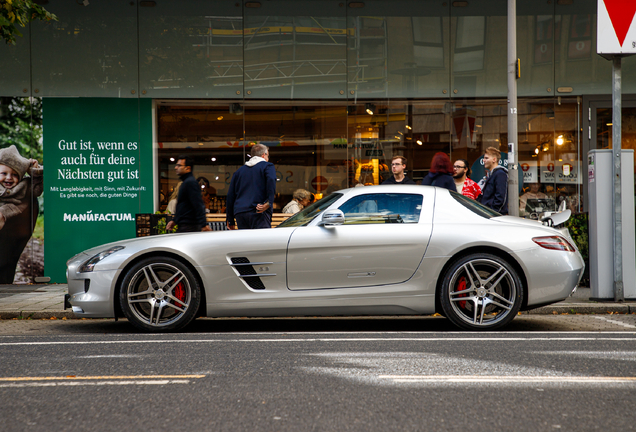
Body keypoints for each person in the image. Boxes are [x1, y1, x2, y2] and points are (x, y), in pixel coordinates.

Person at [0, 145, 43, 283]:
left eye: (14, 175)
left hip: (12, 221)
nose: (9, 178)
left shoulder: (24, 187)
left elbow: (37, 189)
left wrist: (35, 171)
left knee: (6, 265)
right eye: (4, 173)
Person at [226, 144, 276, 230]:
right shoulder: (267, 166)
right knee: (261, 242)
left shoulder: (239, 171)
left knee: (245, 242)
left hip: (241, 213)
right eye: (268, 155)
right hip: (259, 211)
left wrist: (230, 219)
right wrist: (269, 202)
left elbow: (231, 195)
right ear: (263, 155)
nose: (268, 158)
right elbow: (271, 180)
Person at [166, 156, 211, 233]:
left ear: (188, 168)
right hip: (186, 226)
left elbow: (198, 204)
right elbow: (182, 206)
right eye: (176, 165)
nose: (176, 168)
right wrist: (175, 221)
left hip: (189, 226)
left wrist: (204, 224)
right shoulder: (186, 182)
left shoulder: (190, 183)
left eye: (179, 165)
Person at [478, 147, 508, 214]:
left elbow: (500, 197)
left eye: (486, 158)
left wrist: (493, 212)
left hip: (493, 214)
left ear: (494, 159)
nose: (483, 160)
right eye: (484, 158)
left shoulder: (500, 174)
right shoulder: (492, 174)